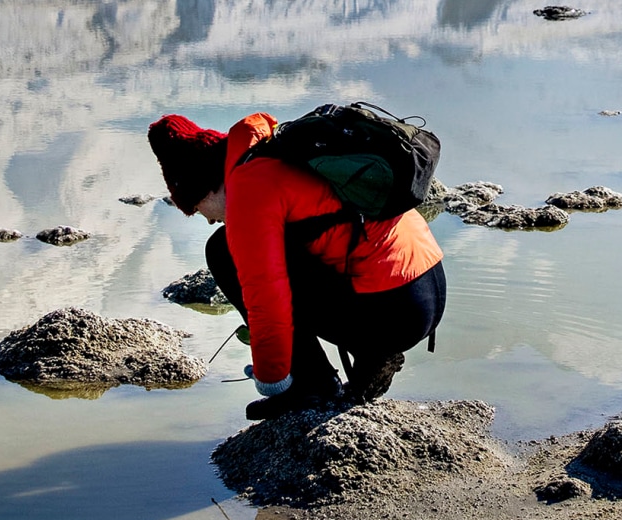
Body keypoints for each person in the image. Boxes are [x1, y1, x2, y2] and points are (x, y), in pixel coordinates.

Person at [147, 111, 446, 420]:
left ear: (206, 186)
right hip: (427, 286)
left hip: (394, 309)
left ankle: (311, 386)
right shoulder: (277, 149)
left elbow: (266, 298)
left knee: (222, 251)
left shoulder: (250, 187)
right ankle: (371, 356)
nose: (209, 219)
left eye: (196, 209)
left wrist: (272, 380)